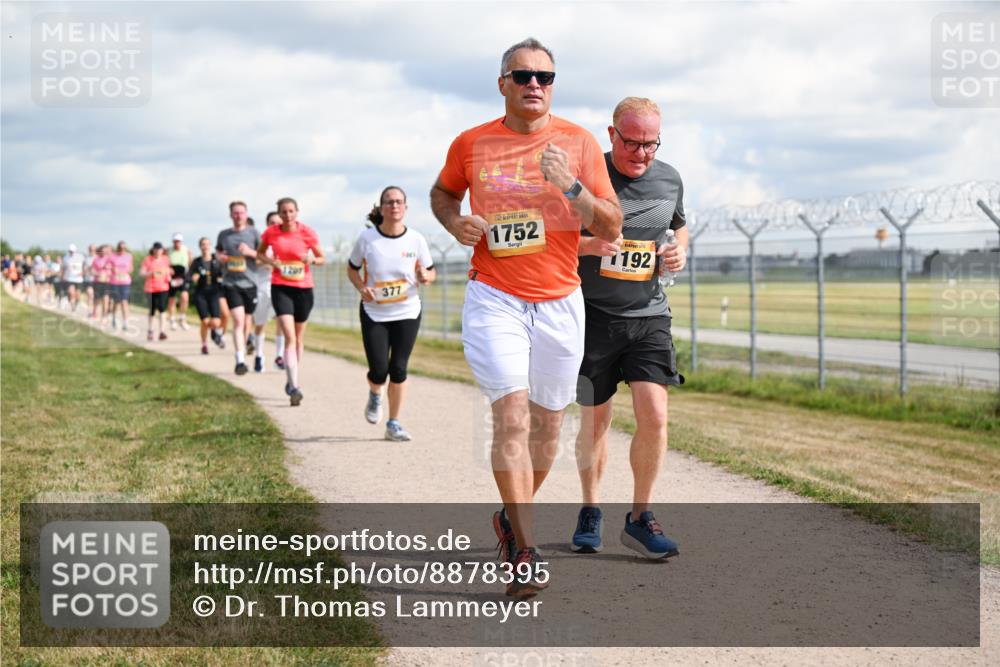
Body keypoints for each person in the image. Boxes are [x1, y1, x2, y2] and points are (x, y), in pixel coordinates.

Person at [430, 37, 622, 598]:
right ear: (503, 84)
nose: (534, 84)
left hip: (562, 299)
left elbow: (610, 225)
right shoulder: (472, 143)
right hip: (495, 296)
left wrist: (574, 186)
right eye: (522, 76)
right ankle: (526, 550)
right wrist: (454, 222)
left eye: (545, 76)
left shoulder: (579, 143)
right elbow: (443, 194)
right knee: (512, 416)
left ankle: (511, 521)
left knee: (549, 428)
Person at [572, 97, 688, 560]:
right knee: (596, 423)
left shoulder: (670, 178)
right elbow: (552, 239)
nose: (642, 153)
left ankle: (640, 516)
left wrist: (679, 251)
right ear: (612, 134)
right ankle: (590, 509)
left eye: (651, 144)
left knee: (655, 415)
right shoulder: (588, 179)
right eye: (633, 142)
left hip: (649, 316)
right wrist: (592, 246)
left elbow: (678, 226)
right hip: (593, 317)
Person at [348, 186, 436, 441]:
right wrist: (361, 287)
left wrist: (425, 276)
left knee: (398, 368)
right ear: (382, 207)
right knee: (379, 371)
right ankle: (375, 395)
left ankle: (393, 423)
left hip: (408, 311)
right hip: (375, 312)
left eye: (399, 202)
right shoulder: (367, 239)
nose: (394, 206)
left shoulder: (416, 240)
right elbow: (352, 269)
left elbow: (431, 272)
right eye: (389, 202)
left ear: (405, 207)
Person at [256, 197, 325, 406]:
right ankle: (294, 386)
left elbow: (322, 259)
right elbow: (260, 254)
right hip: (281, 287)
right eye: (283, 212)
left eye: (291, 211)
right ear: (279, 213)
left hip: (304, 289)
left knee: (299, 338)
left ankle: (290, 377)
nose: (287, 215)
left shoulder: (307, 232)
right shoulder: (271, 233)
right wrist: (272, 261)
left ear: (297, 212)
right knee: (289, 336)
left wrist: (311, 259)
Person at [216, 201, 261, 375]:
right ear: (230, 215)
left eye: (241, 212)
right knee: (239, 321)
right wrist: (220, 258)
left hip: (250, 283)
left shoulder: (254, 234)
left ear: (246, 214)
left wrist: (250, 252)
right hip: (231, 283)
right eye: (235, 213)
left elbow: (265, 257)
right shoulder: (224, 235)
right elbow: (218, 252)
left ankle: (246, 342)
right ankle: (240, 360)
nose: (238, 216)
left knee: (247, 321)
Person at [249, 212, 282, 372]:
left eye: (277, 222)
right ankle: (259, 356)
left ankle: (280, 356)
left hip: (280, 286)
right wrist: (267, 263)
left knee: (282, 320)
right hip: (262, 286)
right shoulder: (262, 242)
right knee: (260, 323)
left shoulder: (285, 241)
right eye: (271, 222)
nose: (274, 224)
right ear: (267, 224)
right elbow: (253, 261)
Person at [188, 237, 225, 355]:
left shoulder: (216, 260)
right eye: (203, 244)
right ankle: (204, 344)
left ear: (210, 246)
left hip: (214, 292)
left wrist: (221, 278)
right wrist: (193, 277)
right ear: (200, 247)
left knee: (216, 322)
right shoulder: (197, 262)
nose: (205, 247)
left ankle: (215, 332)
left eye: (207, 244)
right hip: (201, 293)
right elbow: (189, 275)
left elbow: (223, 273)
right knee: (204, 322)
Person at [140, 242, 171, 341]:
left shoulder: (166, 259)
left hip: (163, 287)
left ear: (162, 250)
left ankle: (162, 331)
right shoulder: (148, 260)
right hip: (151, 288)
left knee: (162, 308)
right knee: (152, 310)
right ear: (153, 250)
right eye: (156, 249)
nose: (158, 251)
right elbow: (142, 273)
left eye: (160, 249)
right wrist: (151, 273)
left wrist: (169, 275)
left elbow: (168, 270)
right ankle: (150, 330)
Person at [167, 233, 193, 331]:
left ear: (181, 241)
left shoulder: (186, 250)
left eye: (178, 241)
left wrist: (189, 275)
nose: (176, 243)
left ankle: (182, 319)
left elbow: (190, 263)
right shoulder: (168, 250)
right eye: (175, 241)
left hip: (183, 275)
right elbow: (165, 262)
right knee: (172, 299)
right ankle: (173, 320)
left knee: (184, 297)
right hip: (172, 276)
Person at [108, 241, 134, 332]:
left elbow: (131, 268)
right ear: (118, 248)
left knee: (124, 301)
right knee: (116, 301)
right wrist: (113, 269)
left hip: (125, 281)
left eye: (124, 248)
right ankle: (114, 317)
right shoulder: (112, 256)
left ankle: (125, 322)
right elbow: (108, 266)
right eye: (120, 248)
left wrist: (126, 272)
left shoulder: (129, 256)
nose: (122, 250)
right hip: (115, 281)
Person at [90, 244, 112, 325]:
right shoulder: (96, 259)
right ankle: (94, 314)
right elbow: (92, 271)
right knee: (97, 300)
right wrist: (98, 273)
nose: (104, 252)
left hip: (107, 282)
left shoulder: (109, 259)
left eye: (105, 250)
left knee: (105, 300)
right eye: (102, 250)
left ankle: (104, 317)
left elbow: (113, 269)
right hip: (97, 282)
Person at [62, 244, 85, 313]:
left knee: (78, 295)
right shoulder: (65, 258)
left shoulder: (81, 257)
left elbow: (85, 266)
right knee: (71, 293)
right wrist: (63, 276)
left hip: (79, 279)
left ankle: (76, 304)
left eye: (72, 251)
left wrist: (83, 272)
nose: (71, 252)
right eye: (70, 251)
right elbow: (63, 268)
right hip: (70, 278)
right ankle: (73, 308)